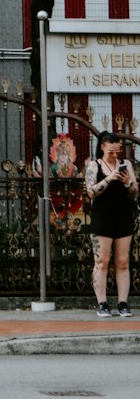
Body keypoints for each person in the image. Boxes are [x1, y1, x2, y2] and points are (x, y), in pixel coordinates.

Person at [85, 131, 138, 318]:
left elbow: (135, 192)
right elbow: (90, 192)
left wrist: (127, 182)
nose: (115, 155)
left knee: (123, 262)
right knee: (101, 261)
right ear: (102, 148)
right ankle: (102, 303)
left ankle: (123, 303)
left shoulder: (126, 165)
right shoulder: (94, 165)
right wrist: (109, 178)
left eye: (118, 152)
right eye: (111, 152)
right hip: (102, 217)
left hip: (123, 216)